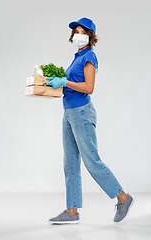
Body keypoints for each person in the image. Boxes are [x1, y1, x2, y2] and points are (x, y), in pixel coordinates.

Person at [46, 17, 134, 224]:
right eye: (76, 31)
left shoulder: (89, 57)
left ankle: (124, 198)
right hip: (68, 113)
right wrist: (54, 85)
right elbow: (69, 85)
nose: (79, 35)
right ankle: (72, 212)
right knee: (70, 163)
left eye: (83, 32)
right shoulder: (76, 57)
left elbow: (88, 87)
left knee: (91, 161)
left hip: (82, 113)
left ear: (90, 36)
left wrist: (65, 81)